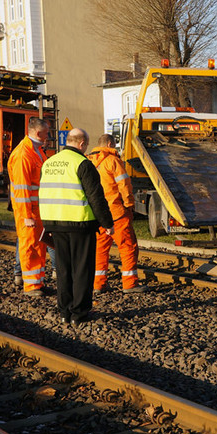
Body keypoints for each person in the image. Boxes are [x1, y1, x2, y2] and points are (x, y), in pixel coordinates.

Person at [39, 128, 114, 327]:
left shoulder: (49, 163)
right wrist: (107, 223)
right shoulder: (83, 164)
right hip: (80, 224)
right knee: (82, 269)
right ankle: (78, 313)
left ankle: (64, 311)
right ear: (82, 144)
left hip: (55, 223)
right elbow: (96, 198)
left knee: (63, 269)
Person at [87, 134, 146, 294]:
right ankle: (129, 284)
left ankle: (98, 284)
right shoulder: (113, 161)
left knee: (100, 249)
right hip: (116, 212)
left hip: (97, 213)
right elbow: (124, 184)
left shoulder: (89, 161)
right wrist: (129, 204)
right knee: (127, 247)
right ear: (109, 144)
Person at [8, 117, 50, 296]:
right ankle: (31, 286)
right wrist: (27, 215)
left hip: (36, 209)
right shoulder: (24, 154)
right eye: (47, 133)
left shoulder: (36, 151)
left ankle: (37, 282)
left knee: (38, 245)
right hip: (29, 210)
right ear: (38, 133)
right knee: (29, 245)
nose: (48, 136)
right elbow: (22, 188)